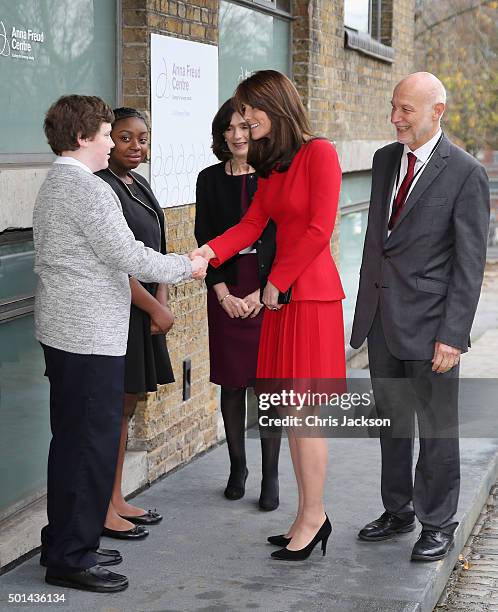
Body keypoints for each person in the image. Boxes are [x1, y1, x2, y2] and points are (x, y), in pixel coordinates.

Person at [34, 95, 207, 592]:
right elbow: (125, 253)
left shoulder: (64, 183)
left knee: (74, 443)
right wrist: (187, 266)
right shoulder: (84, 189)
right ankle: (73, 557)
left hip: (73, 336)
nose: (113, 141)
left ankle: (67, 540)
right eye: (108, 133)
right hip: (87, 338)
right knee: (88, 446)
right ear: (85, 136)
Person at [192, 70, 346, 561]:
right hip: (280, 301)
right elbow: (253, 223)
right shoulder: (272, 166)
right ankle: (305, 517)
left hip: (309, 298)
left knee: (306, 416)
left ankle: (315, 516)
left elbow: (320, 229)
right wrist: (206, 254)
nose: (243, 123)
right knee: (287, 410)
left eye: (248, 113)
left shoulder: (319, 153)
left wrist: (275, 282)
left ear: (271, 108)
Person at [350, 72, 490, 562]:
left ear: (438, 111)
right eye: (394, 107)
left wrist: (453, 336)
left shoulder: (466, 173)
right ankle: (398, 510)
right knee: (391, 422)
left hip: (433, 329)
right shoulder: (385, 160)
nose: (395, 118)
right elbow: (376, 244)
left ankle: (437, 522)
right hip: (383, 321)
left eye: (406, 109)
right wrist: (363, 312)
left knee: (435, 427)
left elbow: (469, 264)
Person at [195, 100, 281, 510]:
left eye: (245, 127)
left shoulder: (274, 177)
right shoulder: (208, 179)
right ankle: (237, 467)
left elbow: (283, 239)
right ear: (221, 134)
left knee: (268, 388)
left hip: (268, 289)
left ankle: (271, 476)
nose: (238, 135)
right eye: (230, 128)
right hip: (225, 289)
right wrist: (222, 293)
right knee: (231, 383)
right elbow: (205, 238)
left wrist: (263, 293)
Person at [95, 107, 174, 539]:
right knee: (113, 409)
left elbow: (158, 244)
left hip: (146, 307)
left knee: (125, 409)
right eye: (126, 138)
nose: (136, 146)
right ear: (108, 141)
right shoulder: (101, 187)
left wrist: (162, 293)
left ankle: (117, 497)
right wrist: (154, 308)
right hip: (122, 311)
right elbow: (115, 264)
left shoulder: (138, 183)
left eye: (142, 138)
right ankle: (104, 505)